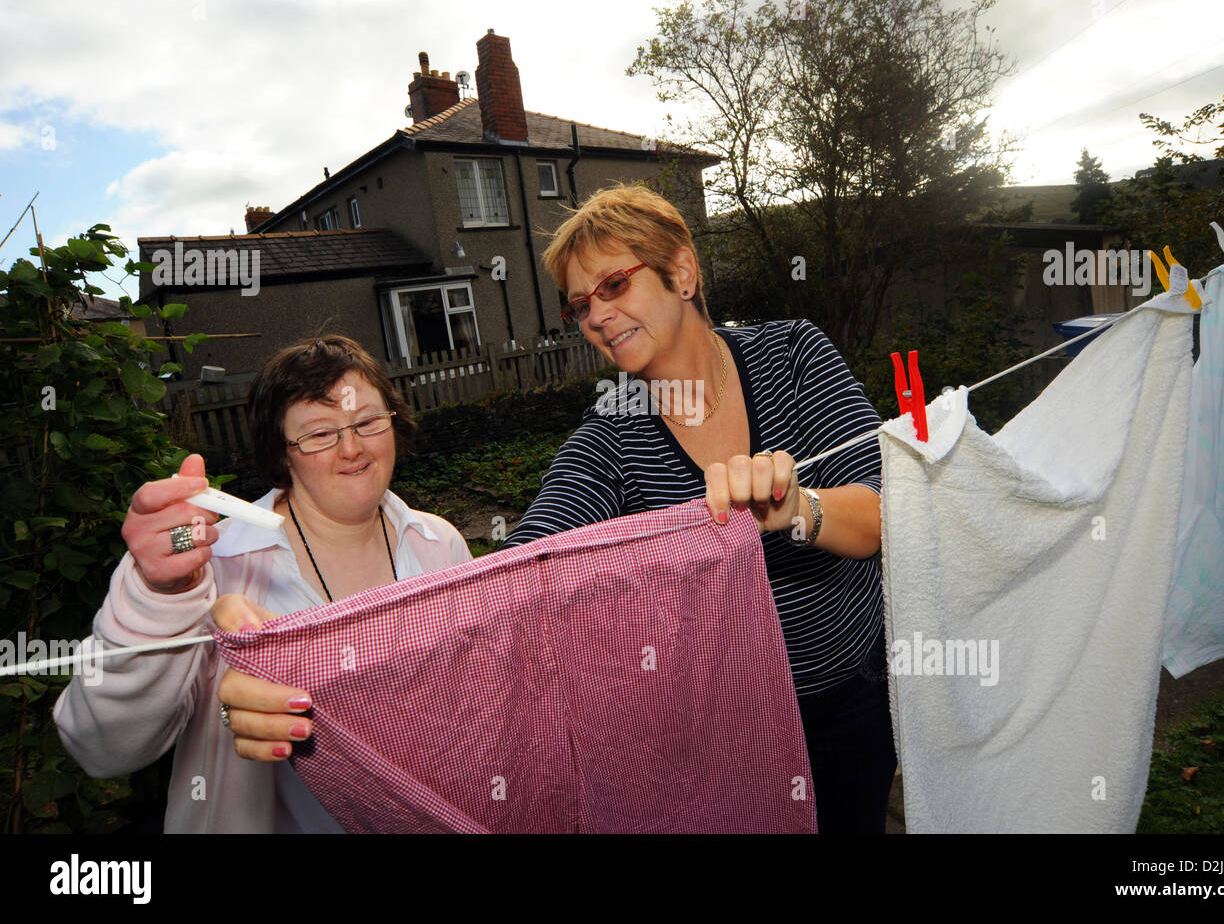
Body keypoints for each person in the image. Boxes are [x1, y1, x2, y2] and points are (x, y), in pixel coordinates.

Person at [499, 184, 894, 833]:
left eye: (614, 285)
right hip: (725, 733)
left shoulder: (793, 355)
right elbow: (528, 557)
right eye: (579, 304)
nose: (596, 315)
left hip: (852, 700)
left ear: (681, 272)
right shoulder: (612, 435)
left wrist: (794, 507)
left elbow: (884, 515)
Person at [53, 335, 471, 833]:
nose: (353, 447)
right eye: (319, 434)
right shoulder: (215, 565)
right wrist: (158, 594)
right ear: (282, 454)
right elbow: (103, 749)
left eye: (366, 422)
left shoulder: (438, 543)